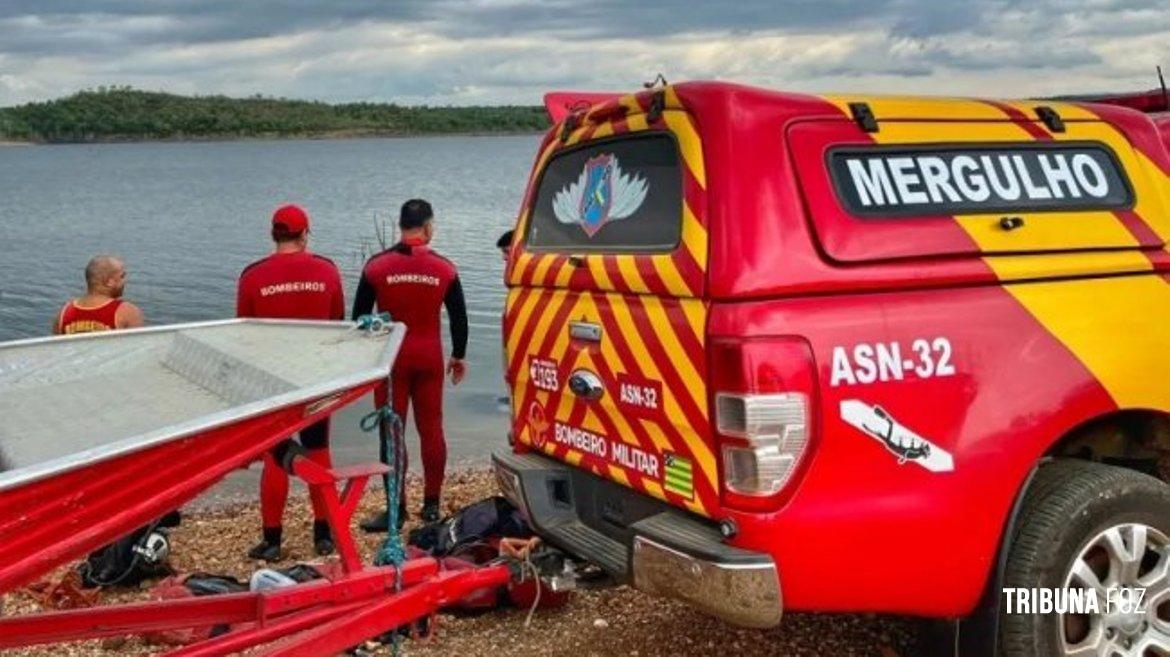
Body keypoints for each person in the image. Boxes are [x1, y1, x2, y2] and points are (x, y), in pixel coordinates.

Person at [236, 204, 345, 560]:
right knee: (319, 451)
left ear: (273, 235)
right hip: (316, 378)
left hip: (273, 381)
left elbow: (244, 333)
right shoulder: (327, 272)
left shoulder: (252, 276)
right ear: (304, 234)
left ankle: (272, 539)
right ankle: (323, 534)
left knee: (274, 457)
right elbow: (337, 321)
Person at [353, 199, 468, 530]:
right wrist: (458, 355)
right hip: (429, 355)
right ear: (429, 227)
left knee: (392, 432)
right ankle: (431, 506)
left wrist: (364, 362)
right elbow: (459, 317)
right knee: (431, 428)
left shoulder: (376, 266)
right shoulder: (444, 268)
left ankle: (396, 509)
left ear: (401, 226)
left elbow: (358, 319)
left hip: (392, 360)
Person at [54, 255, 145, 334]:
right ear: (109, 282)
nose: (125, 281)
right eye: (122, 276)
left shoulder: (64, 313)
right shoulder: (127, 312)